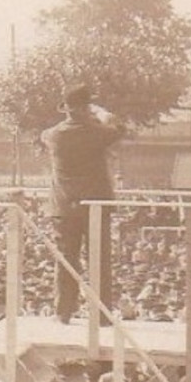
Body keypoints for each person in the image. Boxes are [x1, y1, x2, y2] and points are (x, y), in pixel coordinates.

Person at [40, 84, 125, 324]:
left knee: (66, 260)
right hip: (95, 206)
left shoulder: (52, 135)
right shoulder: (98, 132)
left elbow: (44, 135)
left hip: (64, 208)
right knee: (99, 260)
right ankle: (101, 315)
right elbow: (119, 128)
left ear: (65, 109)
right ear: (86, 108)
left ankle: (63, 312)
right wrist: (101, 113)